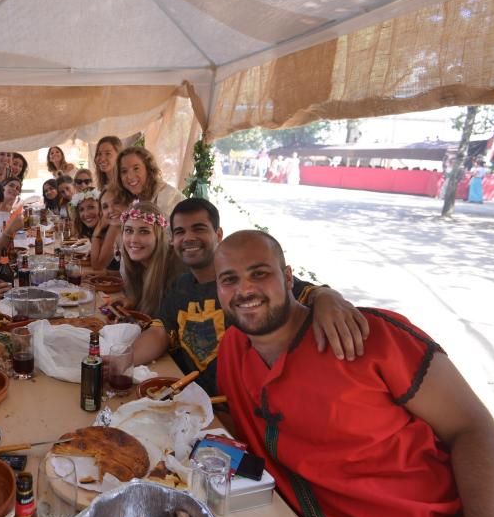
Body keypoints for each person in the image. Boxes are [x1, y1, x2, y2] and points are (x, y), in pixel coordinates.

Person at [213, 230, 494, 517]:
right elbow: (244, 431)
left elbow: (472, 428)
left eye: (260, 273)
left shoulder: (370, 337)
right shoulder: (233, 348)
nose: (244, 290)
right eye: (230, 279)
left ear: (288, 277)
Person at [129, 198, 367, 396]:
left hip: (243, 407)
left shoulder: (256, 285)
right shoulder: (180, 286)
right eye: (180, 232)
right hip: (192, 400)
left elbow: (306, 292)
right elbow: (160, 330)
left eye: (199, 228)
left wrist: (327, 295)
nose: (189, 237)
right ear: (172, 240)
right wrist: (122, 361)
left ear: (218, 234)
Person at [118, 202, 186, 316]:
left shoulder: (176, 270)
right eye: (129, 230)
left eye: (144, 231)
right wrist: (133, 302)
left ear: (158, 236)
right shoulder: (137, 264)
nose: (134, 239)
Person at [114, 146, 185, 216]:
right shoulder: (134, 202)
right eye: (124, 171)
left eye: (136, 168)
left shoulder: (169, 198)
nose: (129, 176)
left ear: (149, 169)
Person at [90, 186, 127, 271]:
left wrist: (98, 228)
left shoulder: (136, 229)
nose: (110, 210)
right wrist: (98, 228)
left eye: (116, 202)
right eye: (105, 206)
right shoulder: (116, 226)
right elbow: (97, 265)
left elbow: (97, 265)